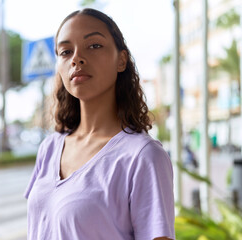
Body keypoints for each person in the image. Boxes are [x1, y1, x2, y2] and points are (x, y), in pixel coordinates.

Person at [24, 8, 175, 240]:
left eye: (94, 45)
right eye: (65, 51)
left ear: (121, 60)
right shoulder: (49, 148)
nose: (76, 58)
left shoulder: (142, 156)